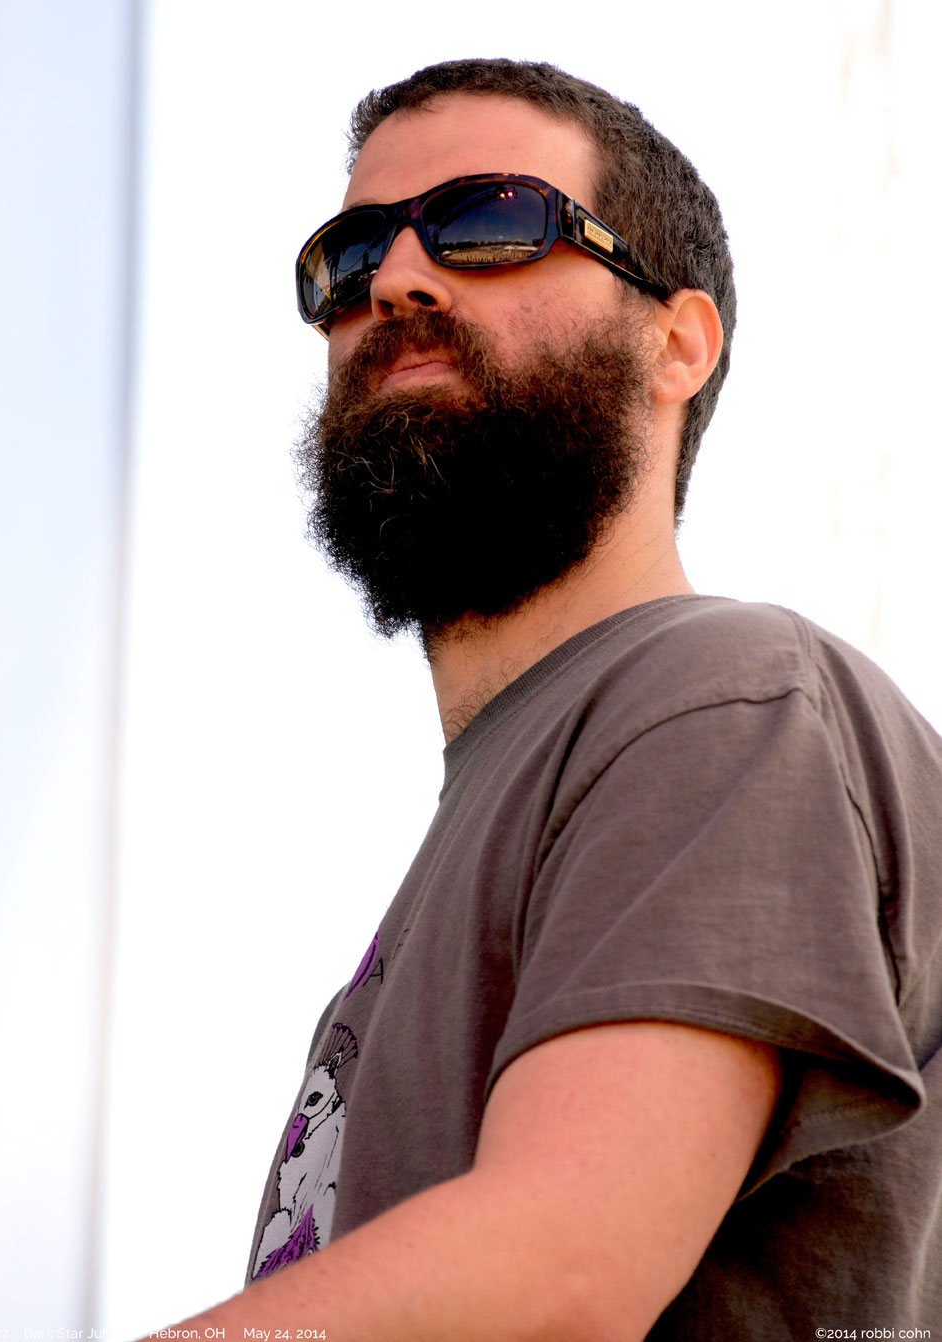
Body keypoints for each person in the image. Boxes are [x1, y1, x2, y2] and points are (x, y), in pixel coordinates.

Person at [164, 59, 942, 1339]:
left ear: (678, 344)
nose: (396, 280)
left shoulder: (719, 700)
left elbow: (563, 1272)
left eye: (490, 223)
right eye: (351, 255)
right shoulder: (520, 801)